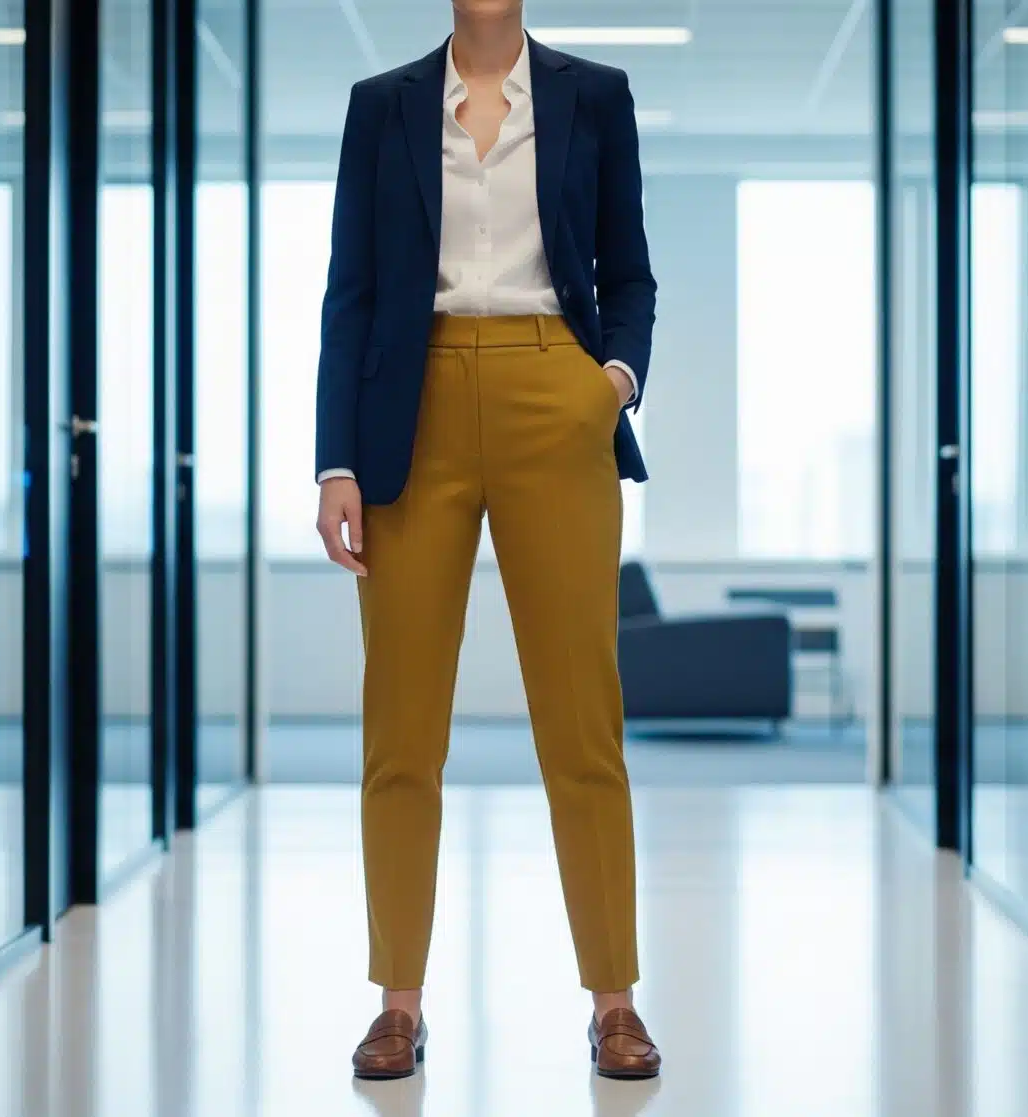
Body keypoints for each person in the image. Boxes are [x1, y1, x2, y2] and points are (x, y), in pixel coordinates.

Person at [311, 0, 660, 1084]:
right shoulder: (383, 106)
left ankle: (614, 1000)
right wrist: (335, 461)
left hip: (552, 393)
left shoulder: (592, 94)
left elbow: (628, 269)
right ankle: (397, 1003)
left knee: (580, 719)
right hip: (405, 406)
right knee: (401, 727)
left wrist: (606, 385)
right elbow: (351, 293)